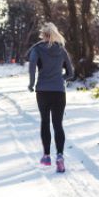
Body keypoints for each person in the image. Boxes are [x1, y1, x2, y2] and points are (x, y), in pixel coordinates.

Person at [26, 22, 75, 173]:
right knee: (58, 124)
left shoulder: (37, 48)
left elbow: (32, 64)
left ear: (43, 35)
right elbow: (71, 72)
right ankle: (59, 156)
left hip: (42, 91)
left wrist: (32, 83)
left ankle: (46, 156)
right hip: (59, 91)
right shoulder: (61, 49)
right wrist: (62, 78)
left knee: (45, 122)